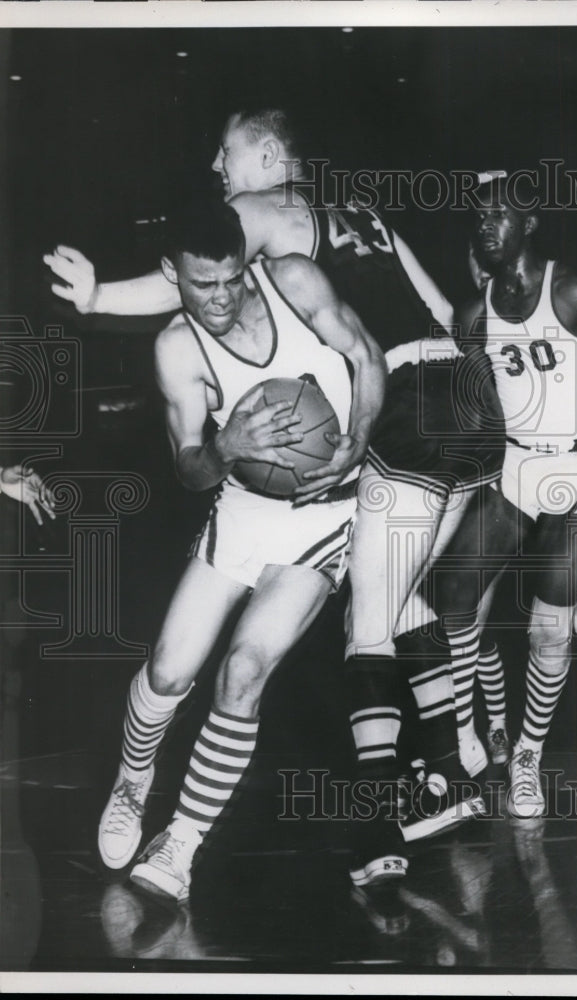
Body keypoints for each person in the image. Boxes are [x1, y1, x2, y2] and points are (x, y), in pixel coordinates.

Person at [45, 108, 505, 884]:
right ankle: (453, 750)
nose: (219, 172)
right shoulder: (357, 214)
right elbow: (444, 312)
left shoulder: (262, 224)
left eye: (226, 156)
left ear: (264, 157)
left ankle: (230, 838)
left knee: (324, 639)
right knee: (378, 604)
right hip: (451, 397)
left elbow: (174, 278)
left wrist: (95, 299)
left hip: (377, 427)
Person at [96, 199, 385, 903]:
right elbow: (187, 468)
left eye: (231, 280)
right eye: (203, 286)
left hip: (325, 512)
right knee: (167, 674)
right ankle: (135, 780)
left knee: (245, 667)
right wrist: (227, 447)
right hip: (244, 511)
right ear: (173, 275)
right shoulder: (177, 347)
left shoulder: (292, 280)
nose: (221, 298)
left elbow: (366, 356)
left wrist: (360, 432)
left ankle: (181, 844)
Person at [431, 170, 577, 819]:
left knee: (547, 631)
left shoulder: (576, 292)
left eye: (498, 213)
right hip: (517, 470)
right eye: (477, 216)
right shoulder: (475, 316)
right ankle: (465, 733)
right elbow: (482, 403)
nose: (485, 224)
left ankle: (527, 754)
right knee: (451, 594)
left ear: (529, 223)